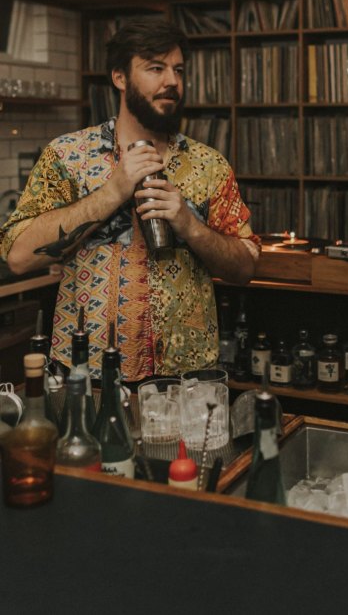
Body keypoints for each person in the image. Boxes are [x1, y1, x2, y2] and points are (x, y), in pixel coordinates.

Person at [0, 20, 260, 381]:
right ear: (120, 77)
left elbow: (245, 268)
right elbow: (18, 258)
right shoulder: (66, 156)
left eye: (178, 70)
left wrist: (189, 225)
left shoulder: (209, 166)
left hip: (186, 377)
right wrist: (113, 191)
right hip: (86, 375)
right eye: (156, 68)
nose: (172, 81)